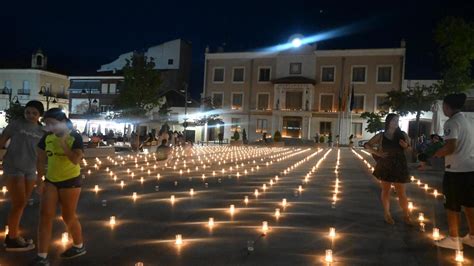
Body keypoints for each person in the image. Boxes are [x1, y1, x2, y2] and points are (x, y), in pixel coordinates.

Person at [32, 108, 86, 265]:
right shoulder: (46, 138)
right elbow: (41, 160)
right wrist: (39, 181)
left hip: (71, 181)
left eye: (53, 123)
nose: (50, 127)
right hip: (51, 180)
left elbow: (75, 160)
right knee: (44, 216)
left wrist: (63, 144)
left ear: (63, 122)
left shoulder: (75, 137)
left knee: (68, 216)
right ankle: (42, 257)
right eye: (47, 123)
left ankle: (79, 245)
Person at [0, 100, 45, 251]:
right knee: (19, 203)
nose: (30, 115)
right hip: (13, 167)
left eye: (34, 113)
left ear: (40, 115)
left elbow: (41, 158)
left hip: (30, 170)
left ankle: (13, 235)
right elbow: (2, 140)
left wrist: (40, 179)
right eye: (28, 112)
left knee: (21, 204)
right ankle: (12, 239)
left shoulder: (42, 132)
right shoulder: (16, 124)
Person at [433, 93, 474, 250]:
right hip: (471, 168)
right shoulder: (469, 121)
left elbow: (451, 147)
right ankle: (472, 236)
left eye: (443, 106)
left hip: (456, 170)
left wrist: (438, 153)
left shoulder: (451, 123)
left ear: (447, 106)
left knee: (452, 205)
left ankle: (454, 238)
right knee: (470, 204)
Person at [364, 113, 411, 225]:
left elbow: (410, 151)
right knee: (386, 191)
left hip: (399, 165)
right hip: (386, 165)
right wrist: (378, 153)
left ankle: (406, 215)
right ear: (388, 122)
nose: (396, 123)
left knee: (401, 192)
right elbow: (367, 145)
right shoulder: (381, 135)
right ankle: (387, 214)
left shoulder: (403, 134)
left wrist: (406, 146)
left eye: (397, 121)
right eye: (394, 120)